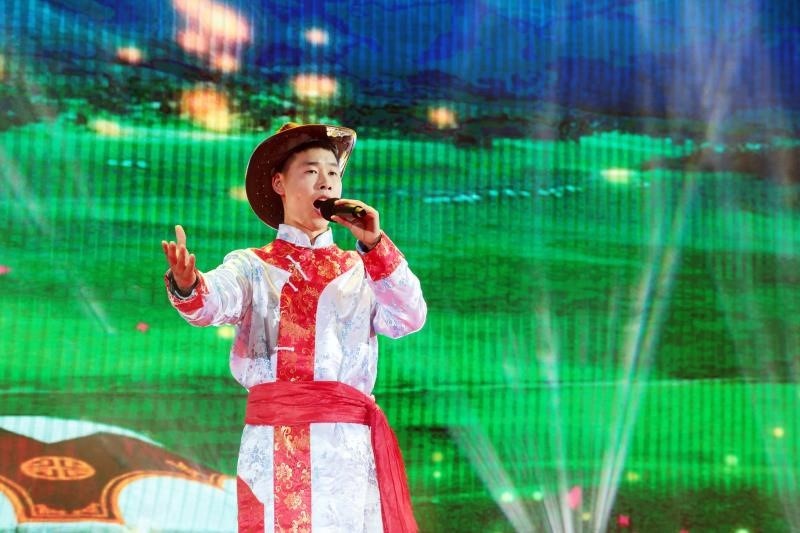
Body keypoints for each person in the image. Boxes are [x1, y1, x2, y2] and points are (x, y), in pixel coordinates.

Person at [161, 123, 427, 533]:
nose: (326, 182)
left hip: (348, 449)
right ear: (279, 183)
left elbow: (409, 317)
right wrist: (187, 283)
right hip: (272, 445)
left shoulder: (362, 269)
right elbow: (211, 303)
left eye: (333, 173)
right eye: (311, 171)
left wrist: (376, 247)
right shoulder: (252, 265)